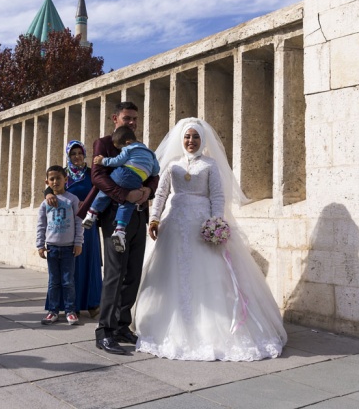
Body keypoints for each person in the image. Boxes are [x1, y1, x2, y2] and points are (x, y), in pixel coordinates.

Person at [134, 118, 287, 361]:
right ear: (181, 139)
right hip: (173, 225)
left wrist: (216, 223)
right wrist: (154, 219)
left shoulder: (210, 165)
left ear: (202, 140)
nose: (191, 141)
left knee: (207, 275)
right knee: (172, 274)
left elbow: (217, 195)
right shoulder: (172, 165)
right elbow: (161, 193)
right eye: (187, 137)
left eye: (195, 137)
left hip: (201, 226)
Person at [76, 101, 158, 355]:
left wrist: (147, 191)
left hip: (138, 215)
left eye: (135, 119)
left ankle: (123, 325)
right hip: (113, 215)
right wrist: (126, 195)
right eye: (127, 118)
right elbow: (98, 177)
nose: (131, 122)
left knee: (133, 272)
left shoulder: (140, 146)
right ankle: (105, 331)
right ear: (115, 118)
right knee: (114, 272)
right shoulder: (104, 144)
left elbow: (154, 175)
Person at [44, 141, 102, 318]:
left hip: (87, 222)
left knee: (89, 263)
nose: (77, 156)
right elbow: (50, 186)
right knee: (71, 265)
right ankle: (71, 305)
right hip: (67, 226)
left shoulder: (92, 173)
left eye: (79, 153)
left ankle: (92, 302)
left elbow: (102, 190)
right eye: (73, 154)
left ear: (84, 154)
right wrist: (47, 194)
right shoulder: (64, 173)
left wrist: (89, 204)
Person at [83, 125, 159, 253]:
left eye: (120, 147)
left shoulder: (129, 148)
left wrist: (103, 161)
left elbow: (118, 161)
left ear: (127, 143)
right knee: (128, 203)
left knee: (105, 192)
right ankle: (120, 230)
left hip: (123, 173)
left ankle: (92, 213)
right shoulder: (151, 153)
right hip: (137, 180)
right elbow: (156, 171)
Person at [37, 165, 83, 326]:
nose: (55, 181)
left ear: (66, 179)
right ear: (47, 182)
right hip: (52, 247)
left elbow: (79, 222)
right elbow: (41, 225)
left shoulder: (72, 200)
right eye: (52, 179)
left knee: (68, 281)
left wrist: (78, 243)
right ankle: (53, 311)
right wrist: (40, 245)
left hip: (69, 247)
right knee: (53, 281)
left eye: (58, 178)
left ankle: (70, 311)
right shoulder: (45, 203)